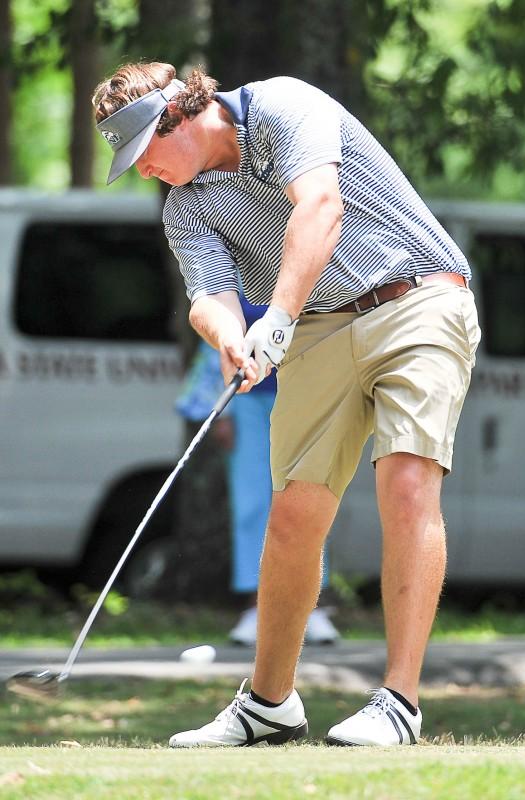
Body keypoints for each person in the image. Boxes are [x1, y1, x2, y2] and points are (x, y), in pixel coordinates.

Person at [93, 63, 481, 748]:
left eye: (144, 153)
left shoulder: (280, 106)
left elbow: (320, 206)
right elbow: (208, 298)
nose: (144, 170)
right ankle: (269, 704)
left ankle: (399, 702)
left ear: (178, 117)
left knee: (409, 480)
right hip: (321, 326)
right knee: (294, 514)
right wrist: (237, 339)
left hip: (417, 295)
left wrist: (275, 315)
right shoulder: (186, 206)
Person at [176, 302, 340, 647]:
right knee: (251, 503)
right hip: (248, 401)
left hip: (303, 398)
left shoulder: (314, 264)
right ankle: (256, 607)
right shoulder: (238, 265)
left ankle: (311, 608)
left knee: (307, 499)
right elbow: (217, 343)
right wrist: (222, 411)